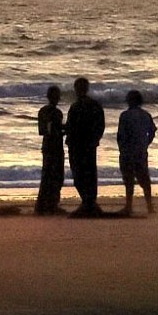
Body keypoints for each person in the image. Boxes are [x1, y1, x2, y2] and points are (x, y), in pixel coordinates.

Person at [65, 77, 105, 216]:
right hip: (88, 145)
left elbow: (71, 126)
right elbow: (100, 125)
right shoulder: (94, 105)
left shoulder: (76, 106)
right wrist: (95, 139)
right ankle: (89, 202)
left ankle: (88, 203)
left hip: (78, 145)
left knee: (79, 174)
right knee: (89, 173)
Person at [117, 90, 157, 216]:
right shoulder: (146, 115)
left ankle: (129, 206)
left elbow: (121, 135)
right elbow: (153, 131)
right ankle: (149, 206)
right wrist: (146, 143)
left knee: (129, 179)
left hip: (128, 151)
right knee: (144, 178)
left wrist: (121, 148)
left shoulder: (125, 115)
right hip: (141, 150)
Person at [34, 85, 65, 215]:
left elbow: (43, 131)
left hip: (50, 146)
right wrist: (62, 129)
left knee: (50, 176)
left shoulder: (45, 111)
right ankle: (49, 205)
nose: (56, 99)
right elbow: (46, 131)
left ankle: (45, 204)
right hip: (53, 146)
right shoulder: (54, 112)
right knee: (54, 176)